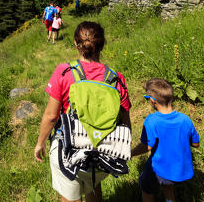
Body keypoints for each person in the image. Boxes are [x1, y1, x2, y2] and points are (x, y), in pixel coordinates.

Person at [34, 21, 131, 202]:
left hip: (69, 150)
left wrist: (40, 144)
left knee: (71, 193)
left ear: (75, 44)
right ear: (102, 44)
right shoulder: (116, 78)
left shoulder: (64, 71)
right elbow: (125, 123)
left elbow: (50, 117)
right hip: (104, 153)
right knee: (94, 185)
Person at [131, 78, 200, 202]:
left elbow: (147, 146)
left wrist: (130, 153)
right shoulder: (185, 119)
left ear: (153, 101)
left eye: (147, 98)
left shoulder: (152, 120)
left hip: (161, 168)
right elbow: (196, 144)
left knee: (145, 183)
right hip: (181, 170)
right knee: (167, 185)